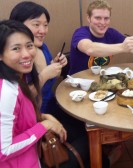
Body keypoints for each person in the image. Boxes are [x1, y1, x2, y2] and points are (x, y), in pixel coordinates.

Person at [9, 2, 94, 167]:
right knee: (86, 140)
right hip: (32, 120)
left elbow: (45, 83)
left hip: (50, 110)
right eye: (36, 24)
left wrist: (54, 65)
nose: (43, 30)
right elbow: (21, 100)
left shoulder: (40, 47)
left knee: (88, 127)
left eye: (45, 25)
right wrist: (44, 75)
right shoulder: (16, 60)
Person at [0, 19, 66, 168]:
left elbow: (18, 121)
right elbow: (4, 151)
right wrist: (45, 125)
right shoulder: (7, 91)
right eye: (16, 48)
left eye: (29, 46)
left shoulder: (17, 79)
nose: (26, 54)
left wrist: (42, 117)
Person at [69, 0, 133, 75]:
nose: (102, 23)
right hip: (78, 83)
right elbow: (90, 49)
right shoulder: (80, 32)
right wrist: (122, 47)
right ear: (88, 18)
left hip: (101, 80)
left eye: (106, 18)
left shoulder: (111, 33)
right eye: (98, 18)